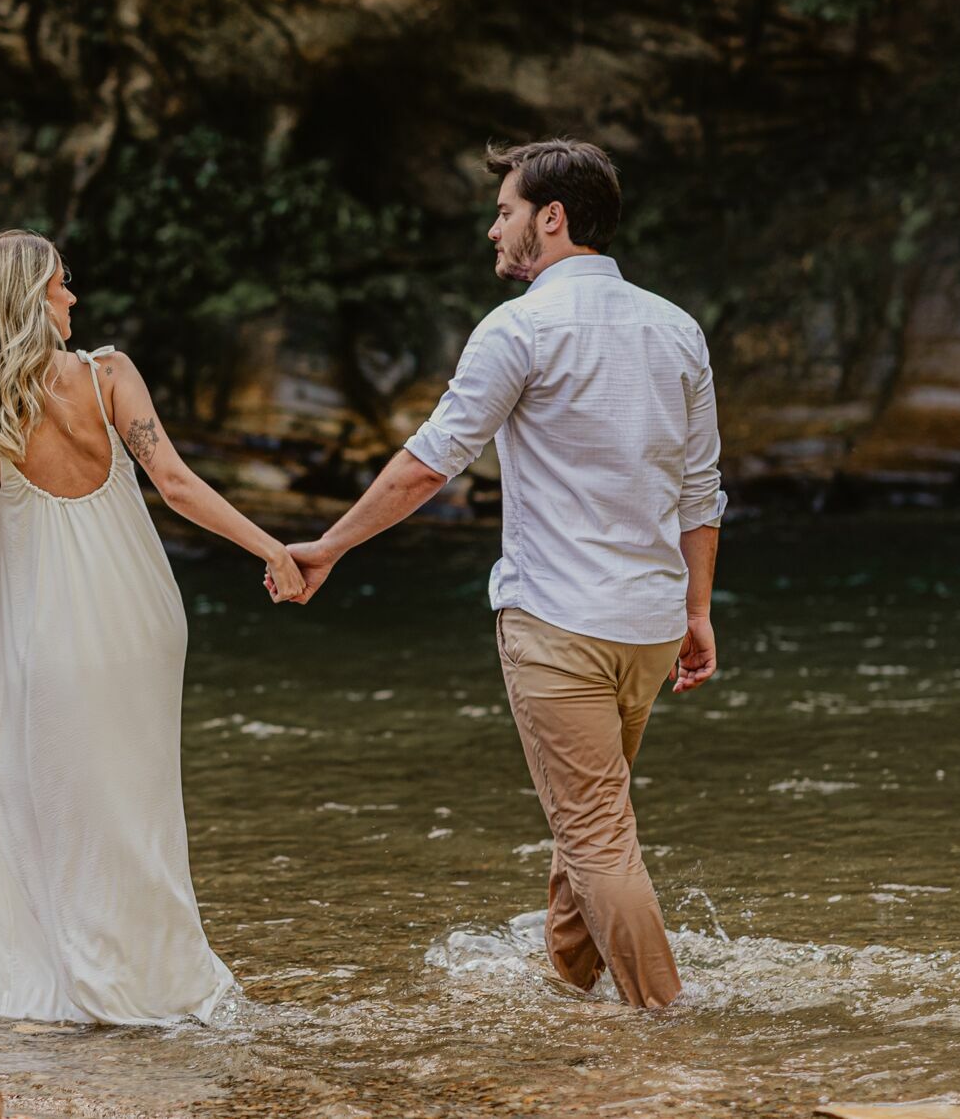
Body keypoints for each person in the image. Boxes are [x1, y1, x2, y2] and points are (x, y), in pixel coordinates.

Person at [281, 139, 725, 1008]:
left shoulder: (519, 328)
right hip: (650, 623)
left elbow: (427, 464)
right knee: (585, 818)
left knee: (594, 832)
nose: (494, 229)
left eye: (506, 211)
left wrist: (327, 547)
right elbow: (701, 489)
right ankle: (570, 994)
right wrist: (698, 611)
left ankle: (666, 1026)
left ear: (551, 219)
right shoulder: (678, 328)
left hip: (558, 625)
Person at [0, 229, 305, 1024]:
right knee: (142, 808)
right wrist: (272, 547)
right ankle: (167, 980)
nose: (71, 298)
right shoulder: (109, 376)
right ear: (27, 299)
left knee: (70, 812)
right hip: (145, 623)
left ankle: (99, 985)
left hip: (56, 639)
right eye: (60, 285)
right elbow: (178, 486)